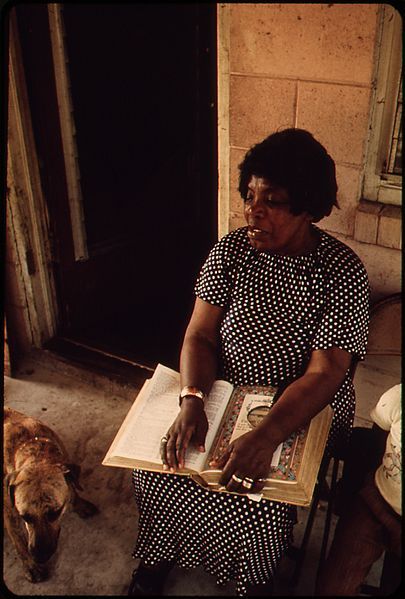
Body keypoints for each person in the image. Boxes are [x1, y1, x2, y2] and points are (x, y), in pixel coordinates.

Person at [127, 128, 370, 596]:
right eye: (249, 195)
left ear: (307, 207)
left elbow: (324, 374)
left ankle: (247, 581)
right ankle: (157, 558)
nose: (253, 210)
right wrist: (193, 399)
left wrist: (266, 436)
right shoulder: (233, 249)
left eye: (272, 200)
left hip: (300, 406)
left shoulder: (341, 271)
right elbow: (198, 335)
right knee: (163, 465)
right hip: (225, 391)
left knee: (253, 493)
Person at [316, 384, 401, 596]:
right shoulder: (398, 398)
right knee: (333, 587)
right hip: (377, 500)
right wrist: (353, 488)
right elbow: (375, 441)